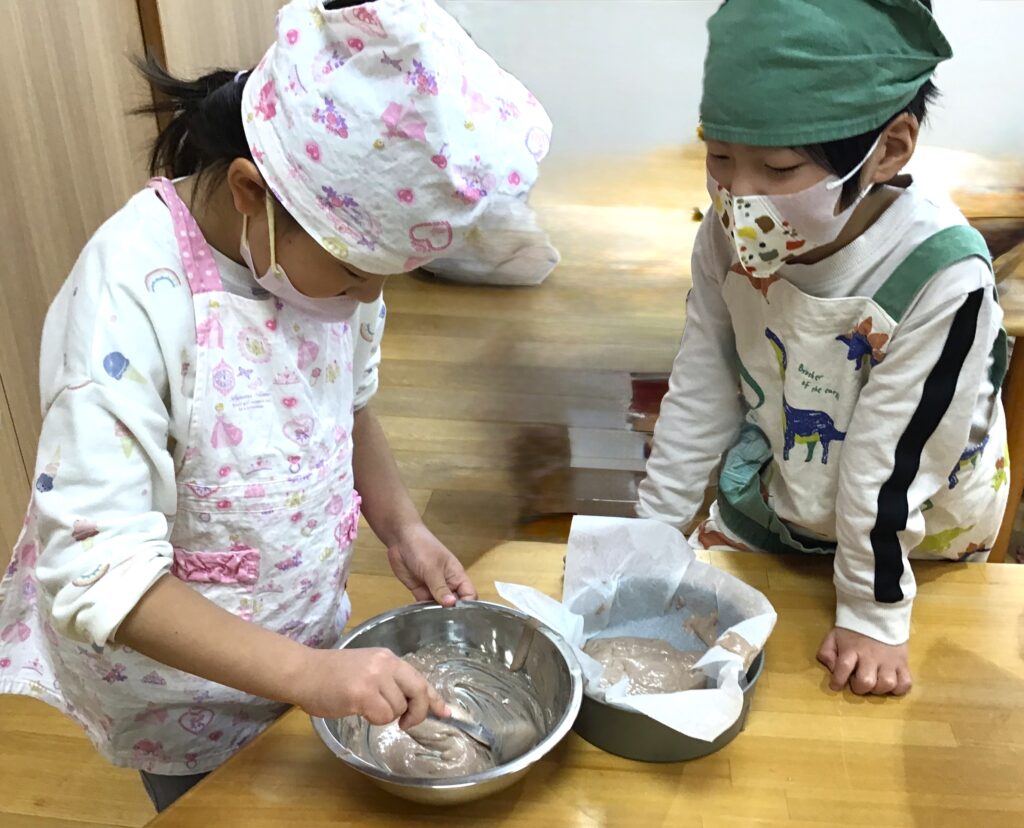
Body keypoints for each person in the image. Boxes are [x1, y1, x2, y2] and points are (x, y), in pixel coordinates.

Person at [0, 0, 551, 811]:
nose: (369, 297)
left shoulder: (326, 271)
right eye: (358, 271)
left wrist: (402, 525)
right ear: (252, 191)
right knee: (214, 804)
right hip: (180, 692)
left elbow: (350, 407)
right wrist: (311, 674)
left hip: (305, 636)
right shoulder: (128, 300)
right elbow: (98, 571)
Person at [638, 0, 1007, 699]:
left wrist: (873, 613)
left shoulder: (941, 275)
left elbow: (890, 461)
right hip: (790, 488)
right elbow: (704, 381)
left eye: (778, 170)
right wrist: (653, 535)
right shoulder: (727, 236)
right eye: (718, 157)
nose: (740, 197)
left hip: (913, 531)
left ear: (891, 148)